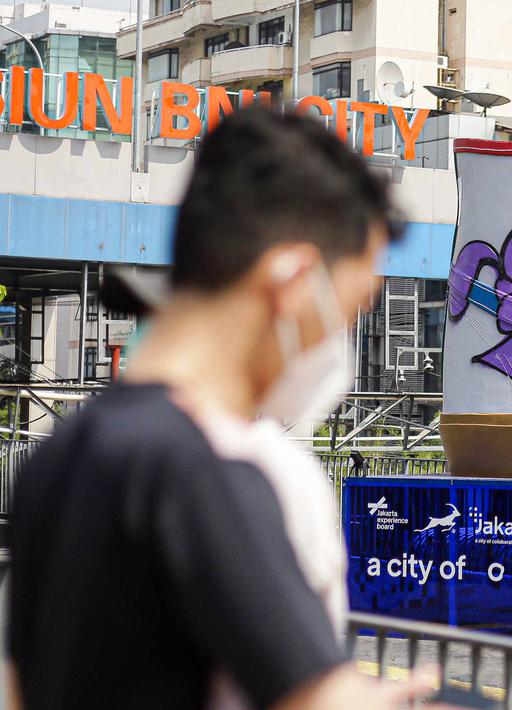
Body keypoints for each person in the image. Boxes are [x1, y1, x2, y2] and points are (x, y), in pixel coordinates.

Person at [7, 107, 428, 709]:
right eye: (350, 311)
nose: (339, 342)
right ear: (295, 282)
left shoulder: (58, 456)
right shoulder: (212, 472)